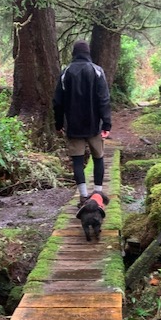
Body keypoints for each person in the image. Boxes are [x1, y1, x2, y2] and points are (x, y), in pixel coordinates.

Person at [53, 39, 112, 206]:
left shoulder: (66, 73)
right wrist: (106, 124)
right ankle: (98, 194)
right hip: (95, 126)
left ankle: (84, 196)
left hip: (73, 126)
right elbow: (104, 99)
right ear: (88, 53)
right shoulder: (97, 71)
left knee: (78, 162)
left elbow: (58, 102)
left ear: (74, 53)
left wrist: (59, 124)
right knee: (99, 158)